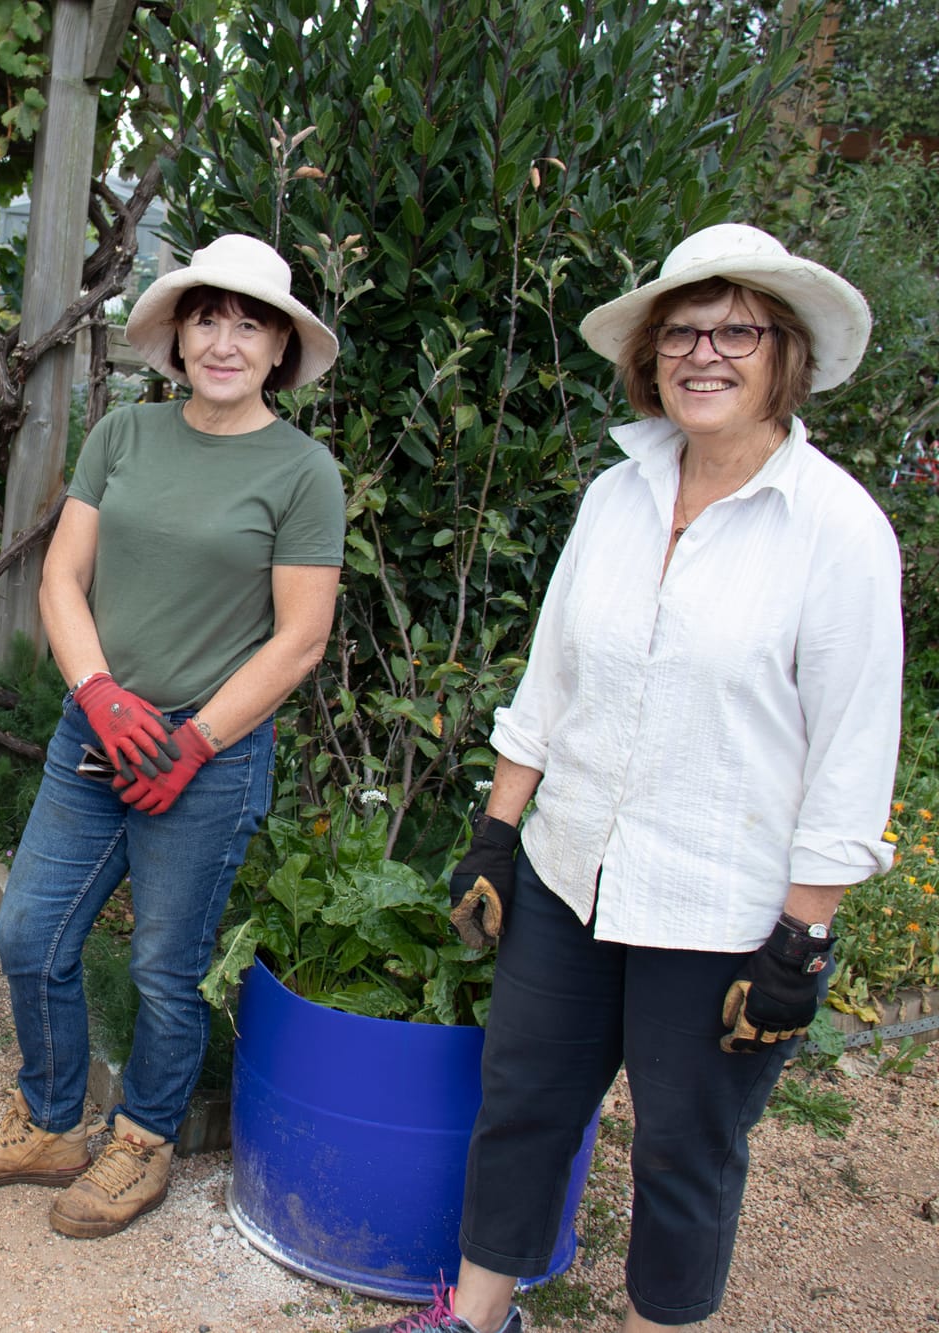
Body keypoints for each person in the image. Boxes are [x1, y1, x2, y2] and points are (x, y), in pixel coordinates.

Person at [358, 224, 901, 1333]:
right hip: (571, 878)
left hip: (719, 910)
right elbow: (551, 677)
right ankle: (474, 1317)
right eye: (680, 333)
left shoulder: (836, 529)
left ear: (784, 353)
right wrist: (496, 834)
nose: (703, 355)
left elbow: (851, 754)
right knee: (521, 1107)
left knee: (683, 1150)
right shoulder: (617, 494)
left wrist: (801, 939)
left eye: (734, 332)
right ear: (651, 357)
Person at [0, 234, 346, 1239]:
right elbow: (61, 578)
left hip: (207, 756)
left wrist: (193, 741)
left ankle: (142, 1138)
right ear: (177, 336)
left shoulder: (303, 472)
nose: (224, 341)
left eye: (249, 324)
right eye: (207, 318)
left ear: (280, 349)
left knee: (166, 964)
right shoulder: (122, 434)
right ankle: (48, 1120)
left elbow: (299, 640)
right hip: (95, 732)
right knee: (30, 932)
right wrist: (99, 692)